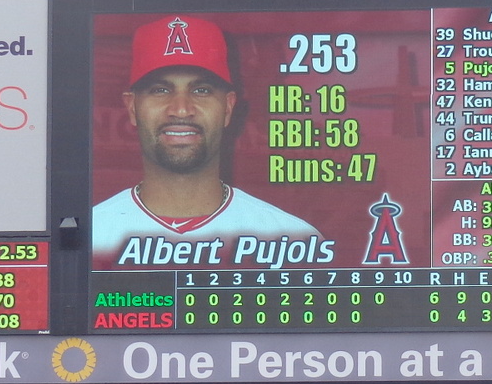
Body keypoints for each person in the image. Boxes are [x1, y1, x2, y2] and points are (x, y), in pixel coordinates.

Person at [91, 15, 322, 268]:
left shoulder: (292, 242)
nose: (181, 110)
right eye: (160, 90)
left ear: (228, 107)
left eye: (201, 90)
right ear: (132, 107)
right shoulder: (90, 238)